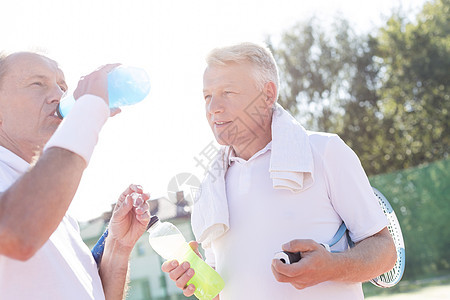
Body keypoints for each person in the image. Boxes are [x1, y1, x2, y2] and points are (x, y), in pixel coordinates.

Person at [161, 43, 397, 299]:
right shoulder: (210, 186)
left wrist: (332, 267)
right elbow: (222, 292)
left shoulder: (325, 151)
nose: (213, 107)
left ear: (267, 95)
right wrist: (200, 279)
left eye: (227, 92)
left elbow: (385, 252)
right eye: (207, 96)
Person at [0, 52, 151, 300]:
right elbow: (16, 234)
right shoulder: (25, 206)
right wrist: (90, 108)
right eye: (37, 83)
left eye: (62, 87)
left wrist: (117, 248)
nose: (58, 97)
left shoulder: (56, 211)